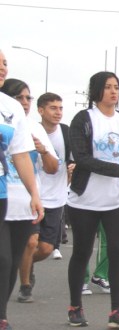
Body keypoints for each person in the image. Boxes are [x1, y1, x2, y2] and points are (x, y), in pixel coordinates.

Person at [66, 71, 119, 330]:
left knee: (118, 252)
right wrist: (117, 170)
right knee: (82, 251)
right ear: (96, 91)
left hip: (118, 199)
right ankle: (75, 306)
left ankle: (116, 311)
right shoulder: (84, 119)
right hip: (85, 199)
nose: (113, 92)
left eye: (117, 87)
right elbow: (82, 157)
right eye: (108, 87)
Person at [0, 80, 57, 306]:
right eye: (19, 97)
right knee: (3, 258)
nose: (24, 102)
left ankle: (4, 312)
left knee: (18, 255)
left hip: (19, 200)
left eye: (27, 98)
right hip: (6, 198)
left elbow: (27, 158)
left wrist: (34, 193)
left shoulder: (27, 123)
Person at [0, 49, 42, 330]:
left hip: (4, 193)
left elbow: (20, 154)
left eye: (4, 62)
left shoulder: (10, 107)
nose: (3, 67)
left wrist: (34, 194)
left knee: (8, 260)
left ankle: (1, 318)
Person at [23, 93, 72, 302]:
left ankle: (25, 263)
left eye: (60, 108)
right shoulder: (29, 130)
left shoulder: (66, 133)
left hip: (57, 197)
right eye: (53, 108)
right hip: (33, 195)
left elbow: (75, 158)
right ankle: (25, 285)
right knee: (31, 241)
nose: (58, 112)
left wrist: (74, 167)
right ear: (41, 110)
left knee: (45, 248)